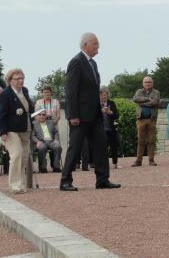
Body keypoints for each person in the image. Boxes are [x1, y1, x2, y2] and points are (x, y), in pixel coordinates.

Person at [60, 32, 120, 191]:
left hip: (95, 114)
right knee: (75, 147)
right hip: (80, 115)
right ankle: (65, 180)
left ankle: (102, 179)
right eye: (95, 44)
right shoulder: (76, 62)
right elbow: (71, 90)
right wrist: (72, 114)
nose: (98, 47)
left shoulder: (93, 64)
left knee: (101, 145)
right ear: (85, 44)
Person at [0, 69, 34, 193]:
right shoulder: (5, 94)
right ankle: (14, 186)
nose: (21, 81)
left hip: (25, 128)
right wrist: (2, 132)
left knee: (23, 157)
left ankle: (21, 184)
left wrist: (36, 114)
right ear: (10, 80)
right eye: (17, 78)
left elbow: (30, 107)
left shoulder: (26, 91)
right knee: (16, 154)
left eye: (22, 78)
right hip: (10, 130)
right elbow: (1, 114)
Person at [132, 76, 160, 167]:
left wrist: (142, 102)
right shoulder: (139, 91)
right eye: (146, 82)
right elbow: (135, 99)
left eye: (149, 82)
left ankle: (151, 160)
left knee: (151, 140)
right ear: (143, 83)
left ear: (152, 83)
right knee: (140, 140)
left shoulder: (156, 92)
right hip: (141, 120)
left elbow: (155, 102)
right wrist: (148, 99)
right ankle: (138, 161)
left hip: (151, 119)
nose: (147, 83)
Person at [99, 87, 122, 169]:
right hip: (101, 129)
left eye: (105, 95)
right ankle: (103, 164)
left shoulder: (112, 103)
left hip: (111, 128)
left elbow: (117, 115)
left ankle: (115, 163)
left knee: (113, 146)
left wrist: (110, 112)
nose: (103, 97)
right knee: (102, 147)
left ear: (107, 95)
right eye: (101, 95)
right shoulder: (96, 104)